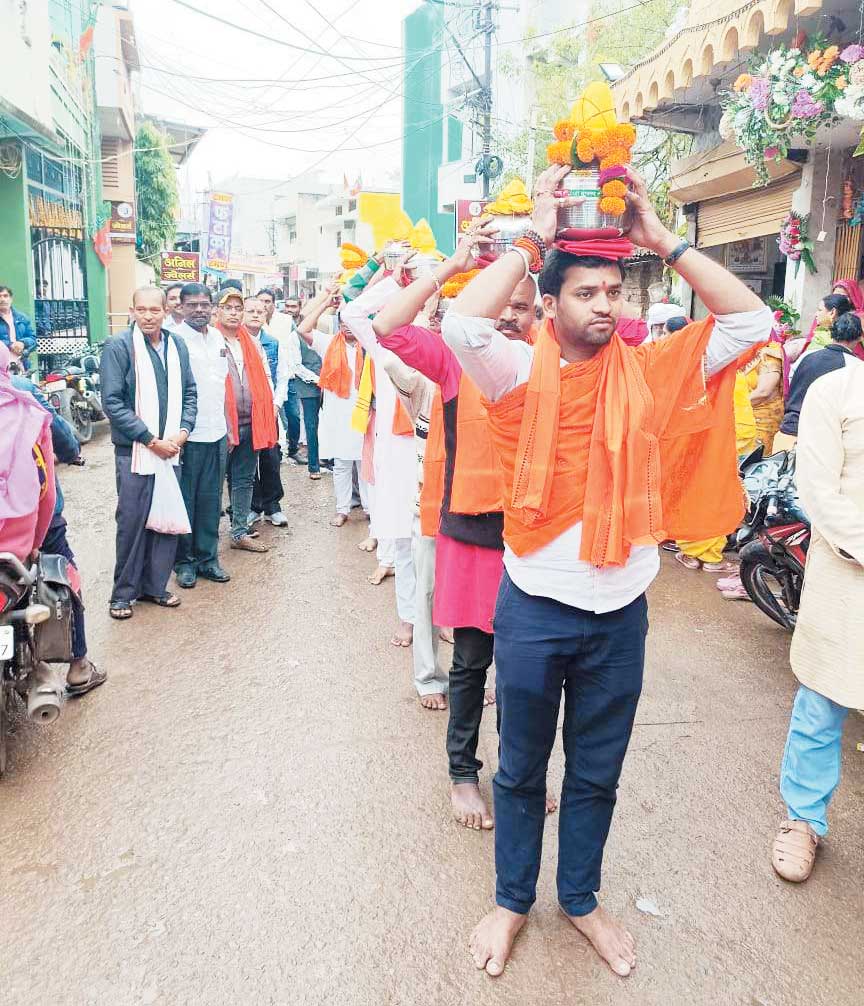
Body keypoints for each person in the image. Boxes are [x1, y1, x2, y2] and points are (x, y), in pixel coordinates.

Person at [442, 164, 771, 978]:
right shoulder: (515, 371)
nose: (604, 305)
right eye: (586, 292)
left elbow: (752, 317)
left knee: (597, 771)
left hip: (621, 611)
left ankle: (580, 900)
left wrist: (664, 240)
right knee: (518, 768)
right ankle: (513, 899)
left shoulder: (654, 371)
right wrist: (532, 240)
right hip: (534, 608)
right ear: (550, 306)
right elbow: (462, 325)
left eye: (613, 292)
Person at [372, 231, 542, 836]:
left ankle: (520, 774)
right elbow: (388, 329)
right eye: (501, 306)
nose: (510, 317)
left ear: (540, 314)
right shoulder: (454, 358)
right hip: (474, 533)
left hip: (540, 539)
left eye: (522, 306)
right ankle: (463, 774)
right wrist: (455, 265)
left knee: (530, 672)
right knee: (471, 665)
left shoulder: (552, 356)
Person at [770, 350, 864, 883]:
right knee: (822, 706)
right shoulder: (838, 392)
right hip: (848, 582)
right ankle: (803, 819)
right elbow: (821, 495)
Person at [100, 287, 197, 620]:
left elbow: (190, 394)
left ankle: (155, 586)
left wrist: (182, 433)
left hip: (172, 449)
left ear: (165, 312)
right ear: (132, 311)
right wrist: (151, 439)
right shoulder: (119, 346)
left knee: (164, 519)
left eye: (154, 310)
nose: (148, 316)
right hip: (136, 451)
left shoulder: (176, 345)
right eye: (140, 309)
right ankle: (123, 594)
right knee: (133, 522)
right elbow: (112, 402)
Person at [12, 367, 107, 696]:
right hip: (33, 519)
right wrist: (71, 455)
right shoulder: (21, 390)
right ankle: (78, 666)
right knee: (60, 574)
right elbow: (61, 434)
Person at [343, 277, 419, 648]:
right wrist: (395, 278)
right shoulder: (383, 344)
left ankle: (444, 618)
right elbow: (351, 311)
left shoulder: (445, 338)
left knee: (443, 548)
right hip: (399, 455)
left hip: (440, 454)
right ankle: (408, 617)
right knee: (404, 544)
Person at [172, 283, 231, 589]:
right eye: (192, 304)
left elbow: (222, 387)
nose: (199, 310)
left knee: (210, 500)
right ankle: (184, 562)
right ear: (180, 307)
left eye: (204, 304)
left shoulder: (218, 337)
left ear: (212, 307)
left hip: (216, 432)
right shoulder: (175, 341)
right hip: (188, 437)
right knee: (186, 500)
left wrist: (228, 428)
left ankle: (208, 559)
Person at [298, 289, 368, 527]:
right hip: (338, 413)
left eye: (352, 320)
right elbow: (302, 329)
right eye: (343, 321)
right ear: (339, 323)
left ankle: (370, 508)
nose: (348, 326)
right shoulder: (328, 344)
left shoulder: (369, 344)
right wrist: (326, 303)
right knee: (342, 464)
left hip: (364, 410)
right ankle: (343, 509)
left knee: (364, 462)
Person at [215, 289, 278, 553]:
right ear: (217, 310)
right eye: (227, 307)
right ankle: (205, 542)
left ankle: (239, 531)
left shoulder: (250, 342)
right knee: (213, 483)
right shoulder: (210, 340)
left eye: (237, 308)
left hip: (251, 421)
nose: (233, 312)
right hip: (220, 425)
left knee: (244, 479)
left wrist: (271, 407)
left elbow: (264, 376)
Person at [776, 312, 863, 450]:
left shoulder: (807, 356)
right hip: (817, 441)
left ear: (831, 333)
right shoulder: (855, 367)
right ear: (859, 337)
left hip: (787, 432)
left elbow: (789, 386)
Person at [245, 296, 290, 528]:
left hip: (269, 410)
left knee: (271, 458)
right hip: (246, 411)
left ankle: (273, 506)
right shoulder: (235, 342)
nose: (255, 315)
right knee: (248, 460)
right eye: (250, 310)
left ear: (266, 315)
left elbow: (282, 377)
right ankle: (253, 506)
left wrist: (276, 404)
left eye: (260, 312)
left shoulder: (273, 343)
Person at [259, 288, 304, 464]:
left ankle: (293, 448)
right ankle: (273, 450)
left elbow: (297, 343)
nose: (263, 305)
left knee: (293, 415)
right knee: (271, 415)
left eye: (267, 301)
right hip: (265, 377)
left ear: (273, 303)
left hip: (288, 375)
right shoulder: (253, 321)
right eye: (261, 301)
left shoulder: (286, 321)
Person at [294, 301, 326, 481]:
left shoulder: (325, 332)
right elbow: (296, 366)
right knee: (311, 426)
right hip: (309, 388)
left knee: (330, 423)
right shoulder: (295, 336)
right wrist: (318, 380)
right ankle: (313, 465)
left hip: (330, 387)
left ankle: (328, 458)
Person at [0, 285, 37, 371]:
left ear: (11, 299)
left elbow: (33, 339)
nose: (2, 299)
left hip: (21, 364)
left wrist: (23, 343)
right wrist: (10, 345)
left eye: (5, 296)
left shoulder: (22, 318)